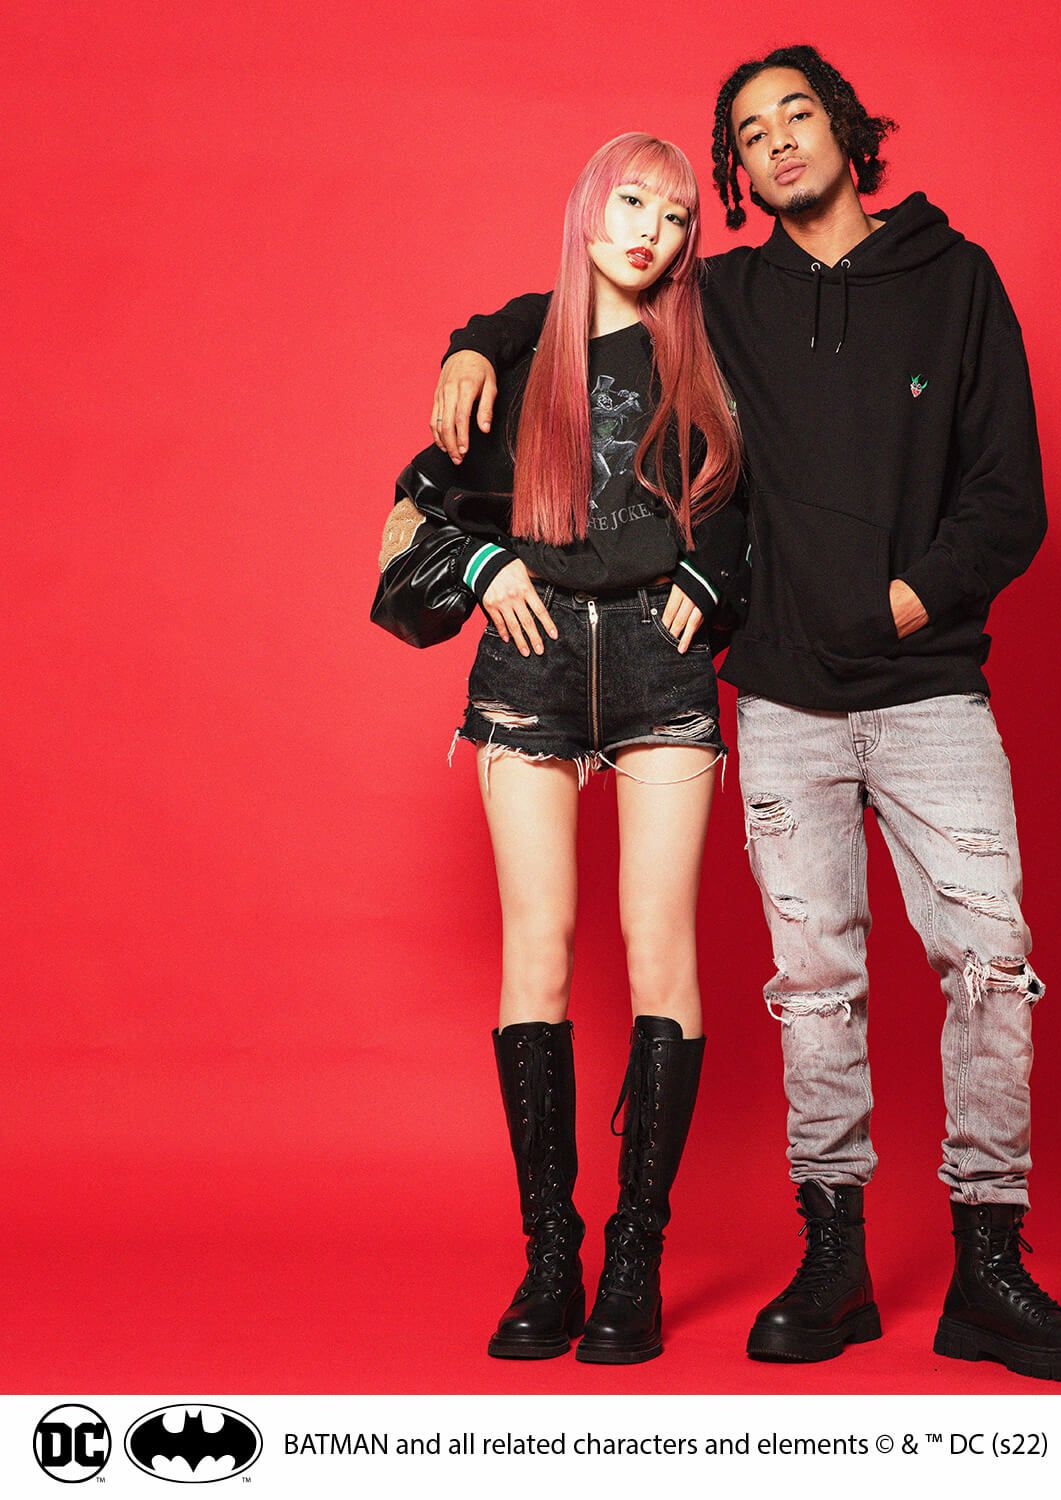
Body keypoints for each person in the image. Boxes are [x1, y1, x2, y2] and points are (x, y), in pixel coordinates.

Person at [429, 47, 1061, 1382]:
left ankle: (990, 1269)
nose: (778, 141)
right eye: (749, 134)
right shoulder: (725, 300)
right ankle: (832, 1260)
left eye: (798, 113)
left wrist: (903, 604)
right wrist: (476, 338)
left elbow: (1011, 496)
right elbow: (588, 295)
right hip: (786, 702)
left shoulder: (958, 281)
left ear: (848, 130)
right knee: (813, 987)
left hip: (931, 688)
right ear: (738, 175)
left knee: (989, 962)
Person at [372, 132, 747, 1365]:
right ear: (589, 205)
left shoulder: (708, 352)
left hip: (658, 667)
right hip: (528, 669)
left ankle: (636, 1258)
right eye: (631, 201)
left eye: (676, 216)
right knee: (536, 952)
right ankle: (551, 1258)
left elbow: (763, 496)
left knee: (661, 947)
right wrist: (483, 563)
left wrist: (715, 579)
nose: (650, 230)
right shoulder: (520, 352)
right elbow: (411, 511)